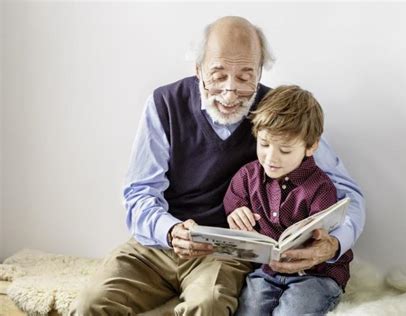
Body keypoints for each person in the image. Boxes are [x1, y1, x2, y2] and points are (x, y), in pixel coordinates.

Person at [70, 16, 365, 315]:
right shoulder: (165, 103)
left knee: (209, 304)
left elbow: (348, 195)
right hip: (154, 245)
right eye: (218, 74)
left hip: (222, 252)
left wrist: (334, 245)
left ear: (260, 70)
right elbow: (138, 193)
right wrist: (170, 231)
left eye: (245, 76)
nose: (230, 91)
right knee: (91, 304)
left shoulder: (275, 112)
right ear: (198, 69)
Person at [224, 85, 352, 315]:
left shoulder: (321, 188)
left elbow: (323, 237)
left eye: (285, 150)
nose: (271, 158)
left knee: (292, 312)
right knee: (249, 310)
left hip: (315, 276)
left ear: (311, 146)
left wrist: (315, 237)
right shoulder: (247, 176)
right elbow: (233, 199)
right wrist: (236, 211)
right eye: (264, 145)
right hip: (266, 273)